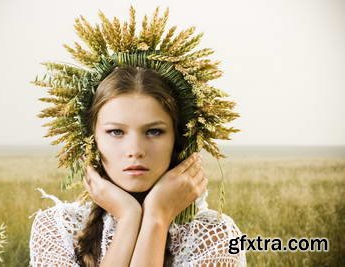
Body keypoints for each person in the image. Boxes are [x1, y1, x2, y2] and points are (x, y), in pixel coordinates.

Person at [29, 66, 246, 266]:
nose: (135, 149)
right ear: (91, 139)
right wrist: (129, 217)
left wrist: (156, 218)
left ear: (179, 140)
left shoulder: (215, 236)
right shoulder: (57, 228)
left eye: (153, 131)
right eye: (116, 132)